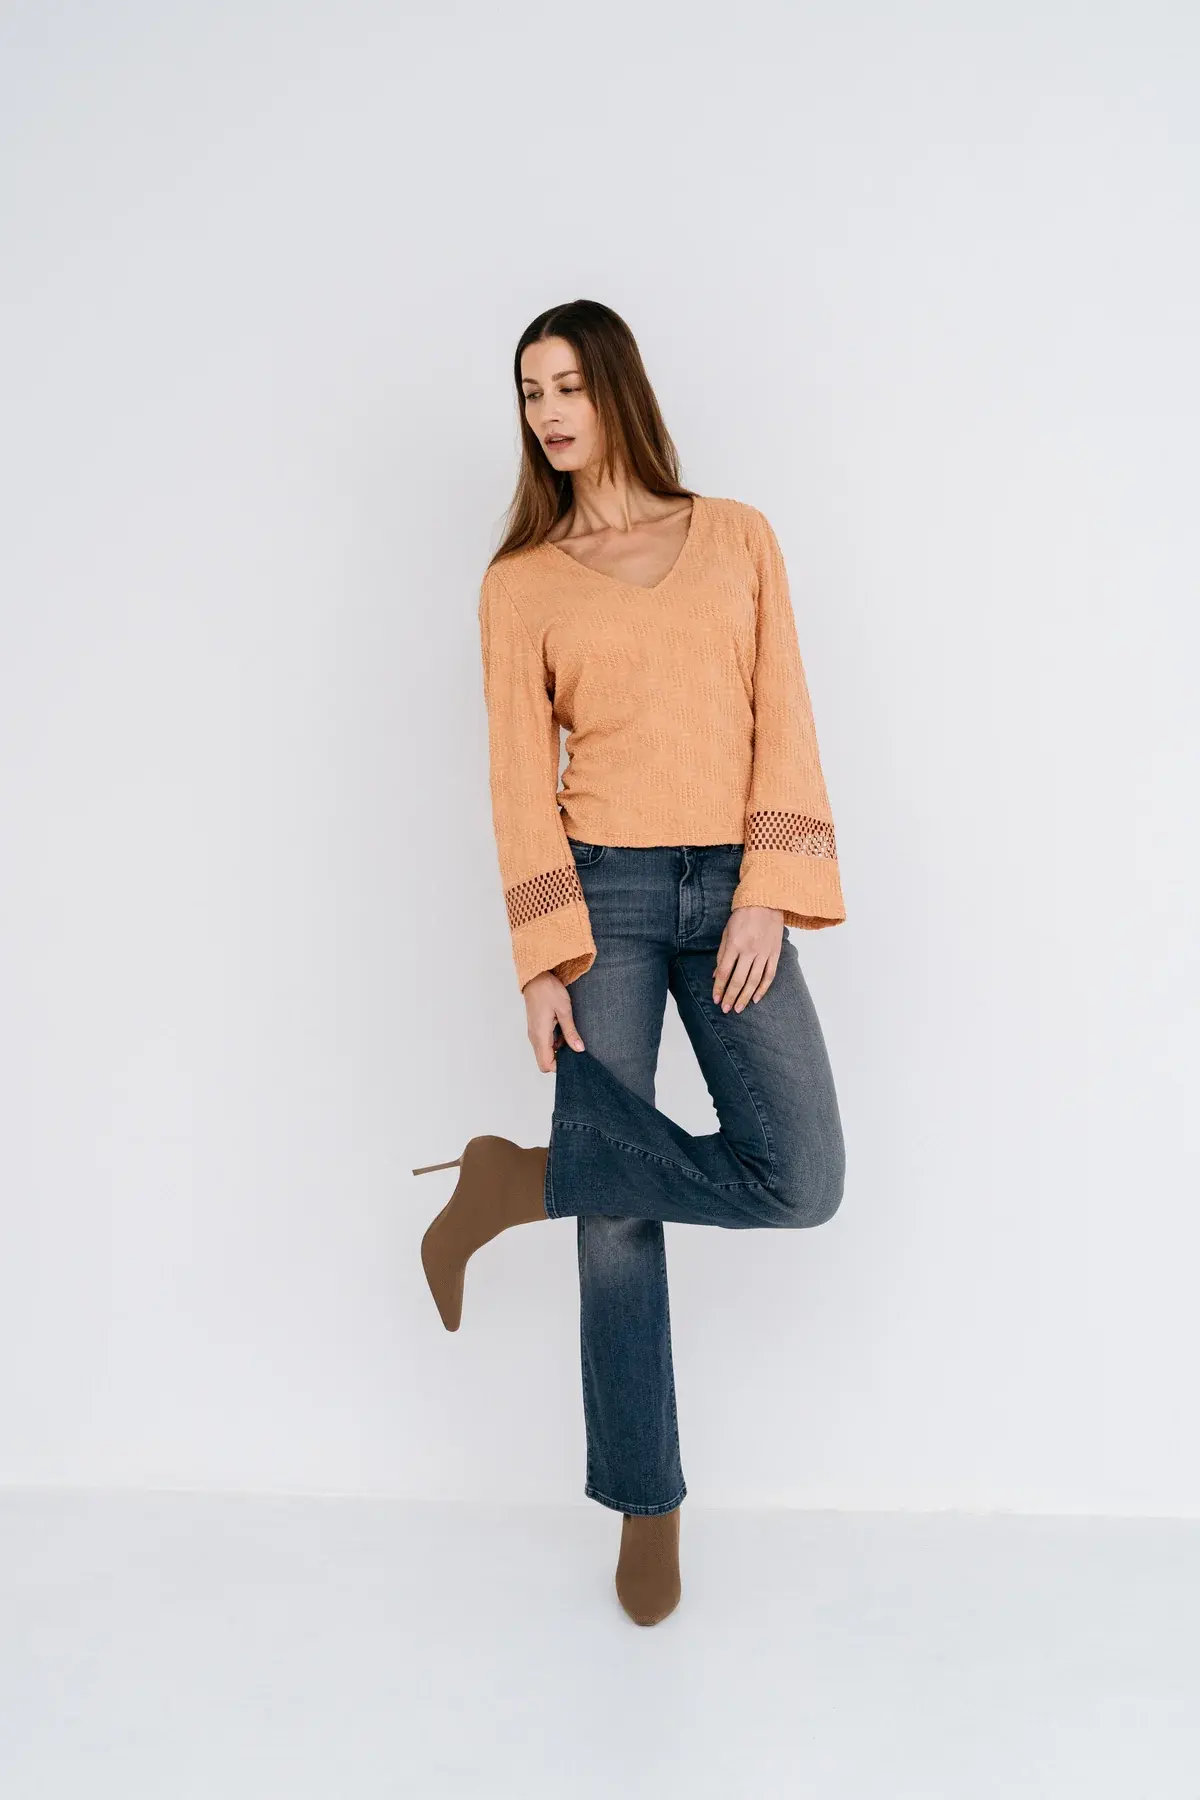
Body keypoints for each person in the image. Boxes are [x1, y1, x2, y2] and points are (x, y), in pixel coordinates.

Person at [414, 298, 847, 1626]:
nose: (548, 412)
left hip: (733, 892)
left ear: (616, 389)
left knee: (804, 1177)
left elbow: (784, 715)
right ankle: (646, 1505)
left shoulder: (738, 537)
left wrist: (768, 893)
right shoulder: (521, 583)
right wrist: (541, 957)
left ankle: (519, 1180)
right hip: (600, 894)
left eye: (567, 385)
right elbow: (515, 778)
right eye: (529, 391)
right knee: (621, 1218)